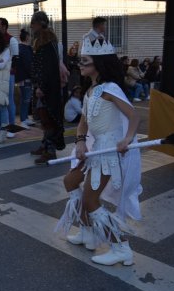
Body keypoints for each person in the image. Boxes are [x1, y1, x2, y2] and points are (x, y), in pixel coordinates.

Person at [56, 37, 141, 266]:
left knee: (91, 199)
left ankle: (120, 247)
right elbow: (84, 121)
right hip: (94, 148)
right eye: (80, 61)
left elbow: (134, 115)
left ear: (98, 64)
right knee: (70, 181)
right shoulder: (91, 90)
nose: (80, 65)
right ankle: (88, 232)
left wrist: (127, 138)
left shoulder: (110, 89)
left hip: (107, 151)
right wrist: (81, 141)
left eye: (84, 61)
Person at [30, 11, 65, 164]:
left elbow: (47, 68)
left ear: (40, 23)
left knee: (48, 117)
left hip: (48, 88)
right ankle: (45, 145)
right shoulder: (42, 40)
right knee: (44, 117)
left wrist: (41, 87)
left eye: (34, 23)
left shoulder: (46, 41)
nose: (32, 26)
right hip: (45, 86)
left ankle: (50, 150)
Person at [0, 17, 19, 135]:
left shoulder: (12, 40)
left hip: (8, 75)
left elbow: (16, 59)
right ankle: (1, 127)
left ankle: (11, 128)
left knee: (9, 100)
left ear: (4, 27)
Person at [16, 28, 35, 127]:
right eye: (30, 36)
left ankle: (26, 118)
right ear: (27, 37)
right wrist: (33, 75)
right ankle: (23, 119)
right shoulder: (25, 49)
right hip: (25, 77)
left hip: (22, 76)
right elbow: (29, 64)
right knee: (25, 98)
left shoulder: (21, 48)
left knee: (26, 98)